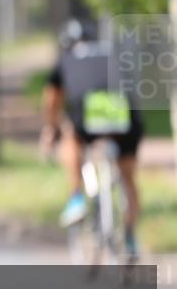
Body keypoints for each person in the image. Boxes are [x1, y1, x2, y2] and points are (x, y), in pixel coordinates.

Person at [40, 18, 144, 258]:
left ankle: (76, 197)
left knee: (71, 137)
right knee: (128, 179)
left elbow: (52, 100)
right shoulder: (112, 53)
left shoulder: (66, 60)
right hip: (125, 113)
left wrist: (50, 129)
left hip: (88, 111)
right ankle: (129, 238)